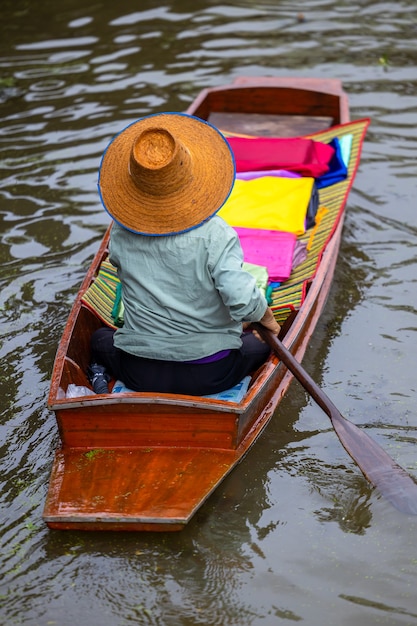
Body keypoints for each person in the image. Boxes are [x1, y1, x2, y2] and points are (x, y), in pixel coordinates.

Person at [89, 112, 281, 396]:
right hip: (211, 375)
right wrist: (264, 316)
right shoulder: (216, 233)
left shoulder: (120, 231)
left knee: (99, 339)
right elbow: (241, 300)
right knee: (258, 343)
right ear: (192, 176)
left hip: (140, 372)